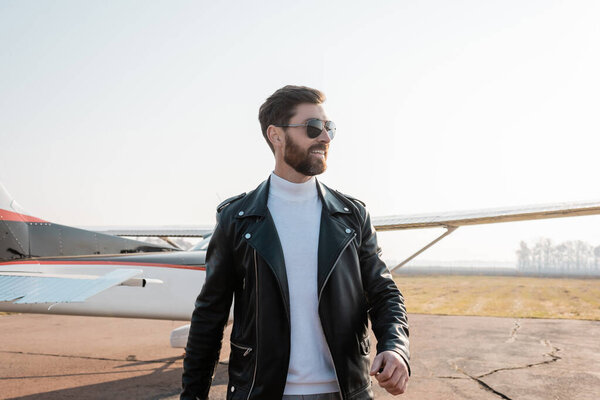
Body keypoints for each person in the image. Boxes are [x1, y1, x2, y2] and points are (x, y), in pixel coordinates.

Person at [181, 85, 410, 400]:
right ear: (276, 135)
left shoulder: (352, 216)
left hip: (344, 392)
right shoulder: (237, 219)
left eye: (329, 128)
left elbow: (385, 294)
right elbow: (210, 315)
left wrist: (395, 347)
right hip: (261, 393)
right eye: (313, 128)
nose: (325, 138)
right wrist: (193, 395)